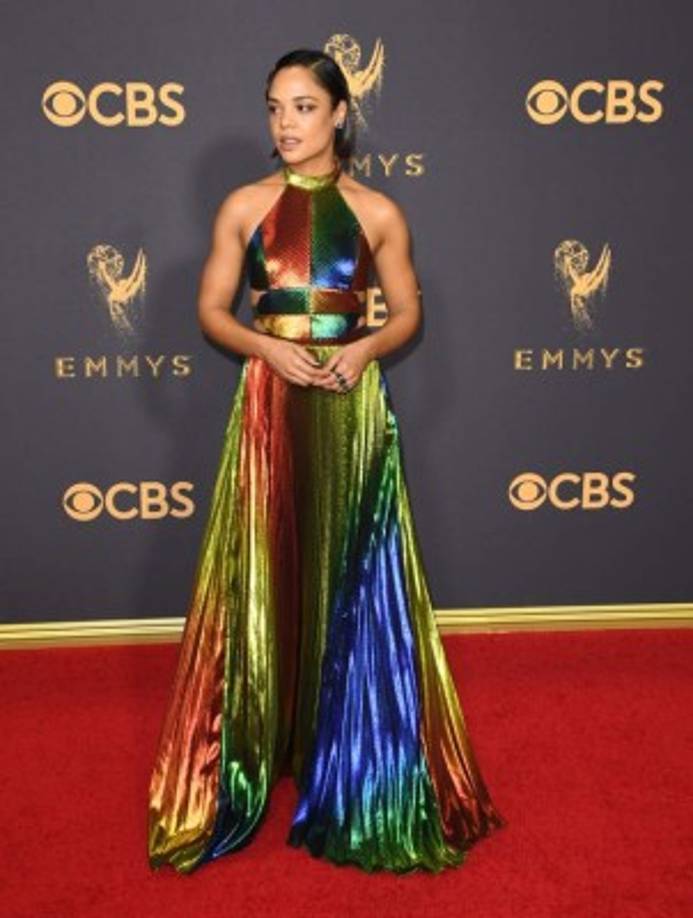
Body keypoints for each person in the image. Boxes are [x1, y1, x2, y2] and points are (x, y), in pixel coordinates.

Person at [147, 47, 506, 875]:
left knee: (350, 570)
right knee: (268, 563)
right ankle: (260, 741)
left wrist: (367, 349)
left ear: (339, 114)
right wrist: (266, 352)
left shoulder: (378, 210)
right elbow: (210, 310)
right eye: (275, 106)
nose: (285, 123)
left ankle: (350, 751)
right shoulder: (245, 205)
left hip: (351, 405)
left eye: (304, 107)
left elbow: (409, 309)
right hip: (270, 405)